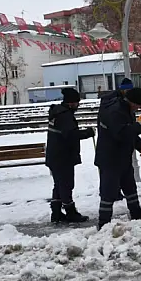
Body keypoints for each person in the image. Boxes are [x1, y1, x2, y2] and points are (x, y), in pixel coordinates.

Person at [95, 87, 141, 229]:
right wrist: (139, 126)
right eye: (138, 105)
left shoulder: (126, 110)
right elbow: (121, 133)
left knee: (130, 187)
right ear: (131, 102)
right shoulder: (115, 111)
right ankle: (103, 224)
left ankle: (137, 215)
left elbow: (129, 132)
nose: (138, 109)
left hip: (122, 157)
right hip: (110, 158)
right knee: (109, 192)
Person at [45, 88, 95, 223]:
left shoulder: (57, 113)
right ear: (71, 103)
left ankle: (56, 213)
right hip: (63, 157)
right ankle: (70, 212)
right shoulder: (65, 116)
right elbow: (71, 135)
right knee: (66, 184)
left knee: (59, 184)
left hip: (54, 155)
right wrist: (87, 133)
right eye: (77, 103)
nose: (78, 105)